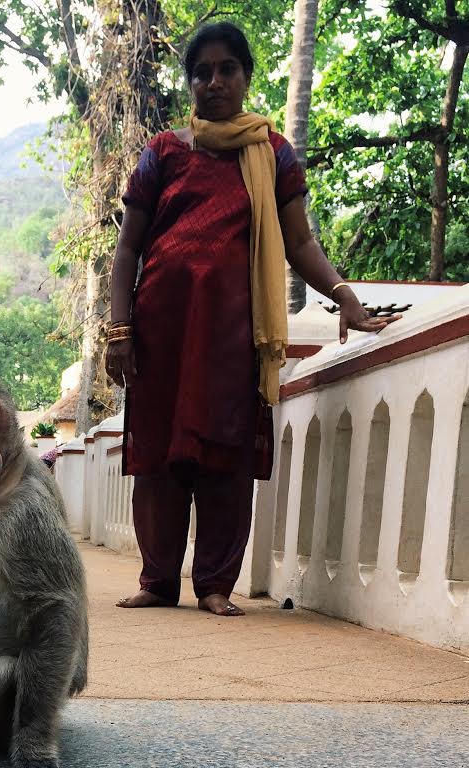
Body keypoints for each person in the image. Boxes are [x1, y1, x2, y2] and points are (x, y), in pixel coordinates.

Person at [105, 21, 398, 617]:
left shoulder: (272, 154)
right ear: (189, 83)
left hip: (233, 336)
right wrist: (119, 330)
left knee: (224, 456)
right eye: (201, 72)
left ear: (245, 77)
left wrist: (344, 295)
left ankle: (215, 583)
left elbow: (299, 243)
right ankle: (158, 581)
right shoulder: (164, 152)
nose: (213, 82)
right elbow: (128, 251)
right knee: (158, 458)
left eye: (226, 70)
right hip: (162, 332)